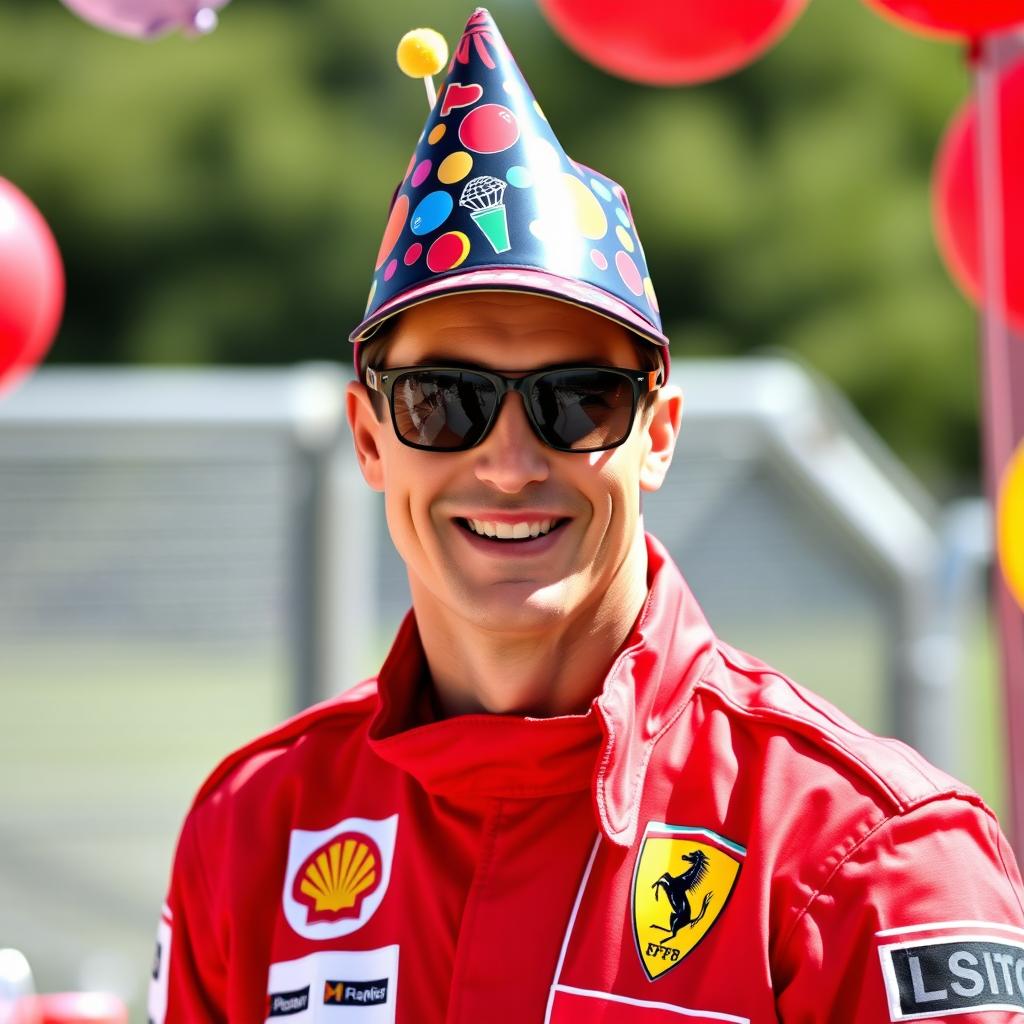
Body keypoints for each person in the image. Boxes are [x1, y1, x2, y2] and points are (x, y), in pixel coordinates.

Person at [150, 9, 1024, 1023]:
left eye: (578, 400)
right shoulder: (255, 827)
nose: (510, 462)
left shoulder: (869, 852)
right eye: (444, 400)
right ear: (369, 434)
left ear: (658, 433)